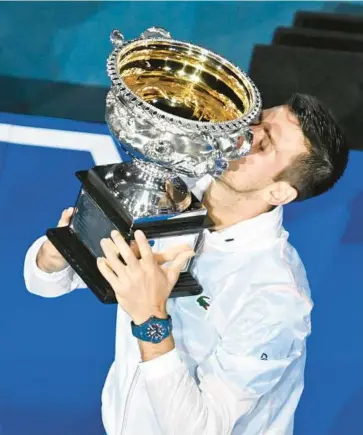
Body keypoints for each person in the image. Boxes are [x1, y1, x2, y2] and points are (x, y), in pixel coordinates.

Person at [23, 93, 349, 435]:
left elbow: (201, 429)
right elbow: (43, 282)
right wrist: (58, 252)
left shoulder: (274, 297)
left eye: (264, 145)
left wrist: (150, 318)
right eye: (257, 121)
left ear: (279, 193)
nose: (245, 136)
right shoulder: (170, 184)